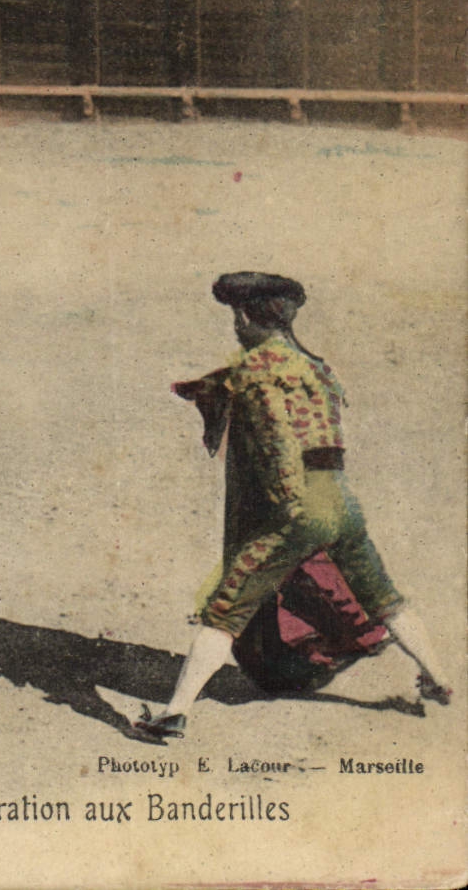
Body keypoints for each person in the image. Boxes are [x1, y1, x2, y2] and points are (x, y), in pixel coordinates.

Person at [133, 273, 452, 743]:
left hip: (299, 504)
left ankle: (174, 713)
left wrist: (287, 507)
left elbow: (279, 444)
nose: (235, 328)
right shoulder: (319, 368)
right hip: (341, 500)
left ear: (245, 316)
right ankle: (437, 676)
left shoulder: (255, 372)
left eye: (235, 318)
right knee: (384, 597)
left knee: (227, 608)